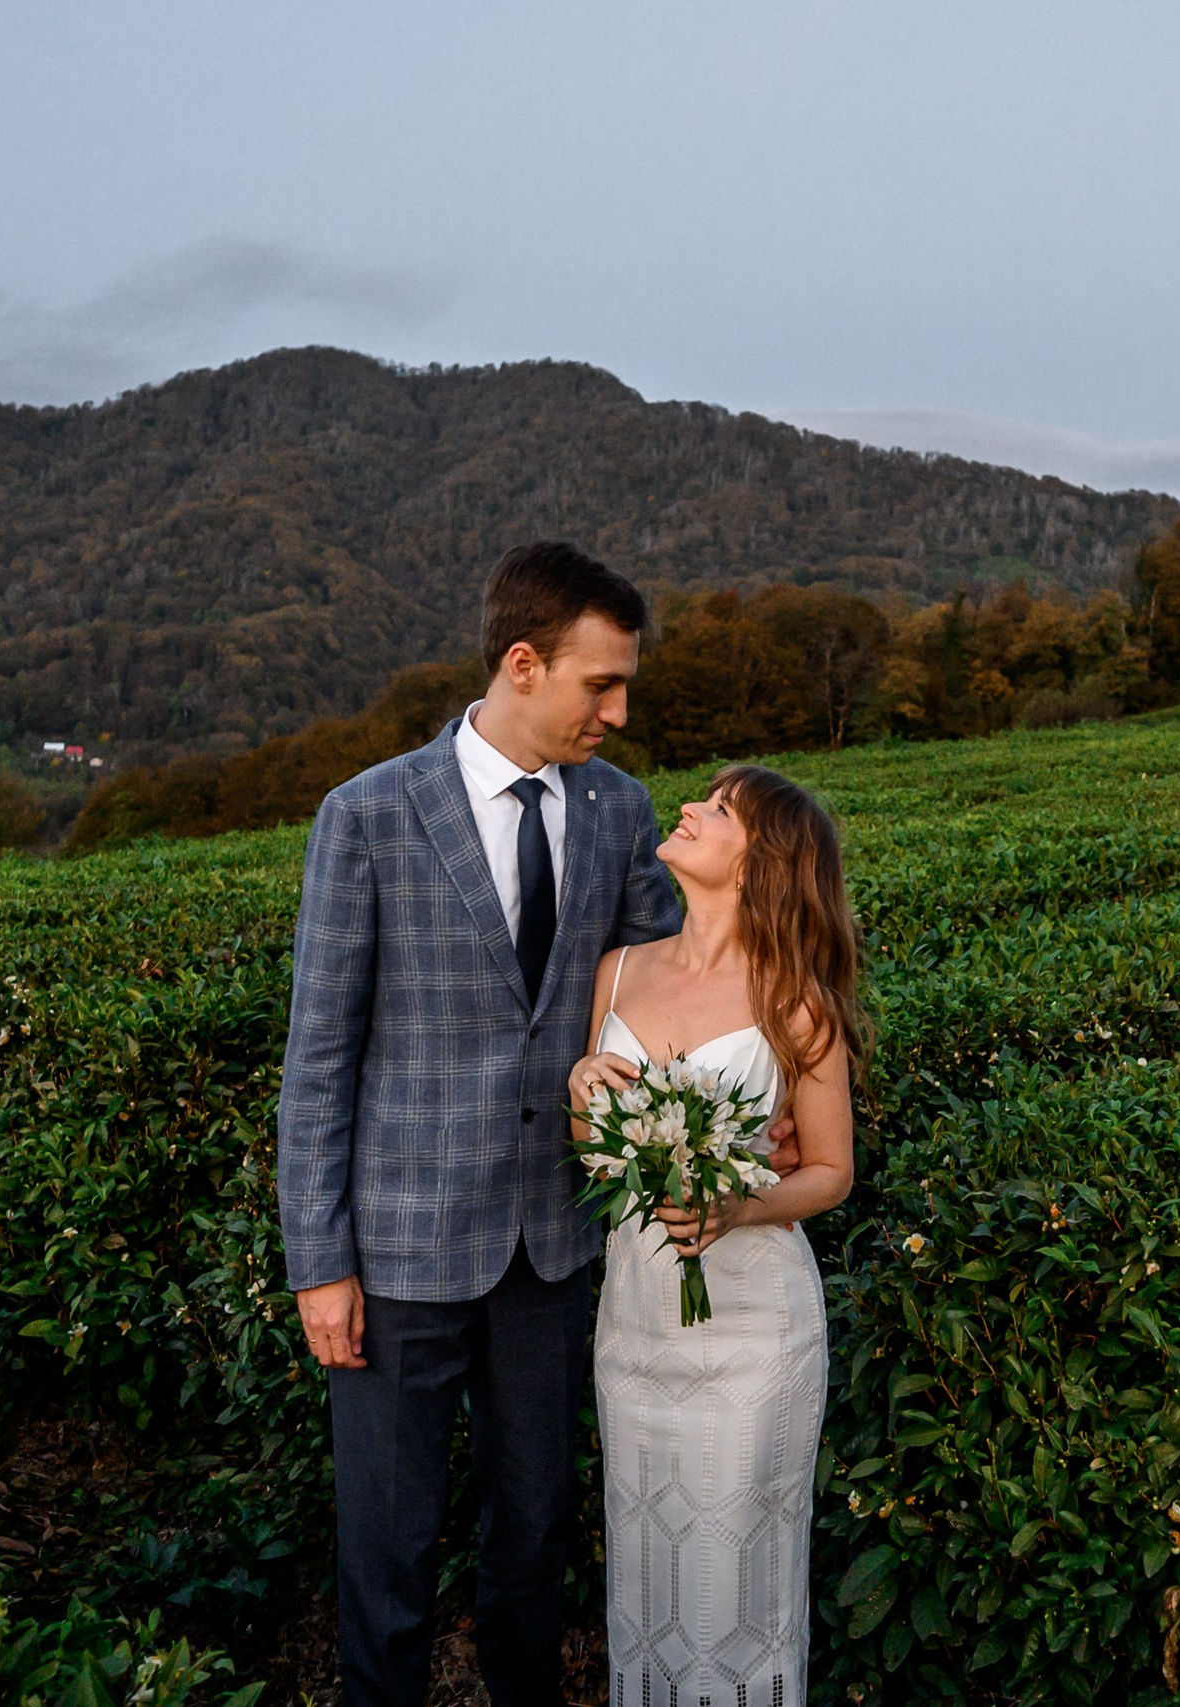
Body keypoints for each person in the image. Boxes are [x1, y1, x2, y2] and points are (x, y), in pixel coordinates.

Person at [280, 542, 790, 1707]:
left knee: (533, 1544)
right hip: (400, 1246)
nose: (618, 713)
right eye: (598, 686)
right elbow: (318, 1059)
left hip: (557, 1247)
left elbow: (675, 979)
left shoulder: (619, 813)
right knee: (387, 1551)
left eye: (623, 688)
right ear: (523, 663)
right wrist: (320, 1262)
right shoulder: (364, 815)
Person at [569, 764, 865, 1707]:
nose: (690, 807)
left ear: (758, 864)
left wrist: (738, 1205)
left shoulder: (795, 998)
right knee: (648, 1560)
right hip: (636, 1322)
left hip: (752, 1331)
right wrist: (583, 1086)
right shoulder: (617, 968)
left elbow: (829, 1169)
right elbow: (591, 1153)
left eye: (721, 807)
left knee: (736, 1573)